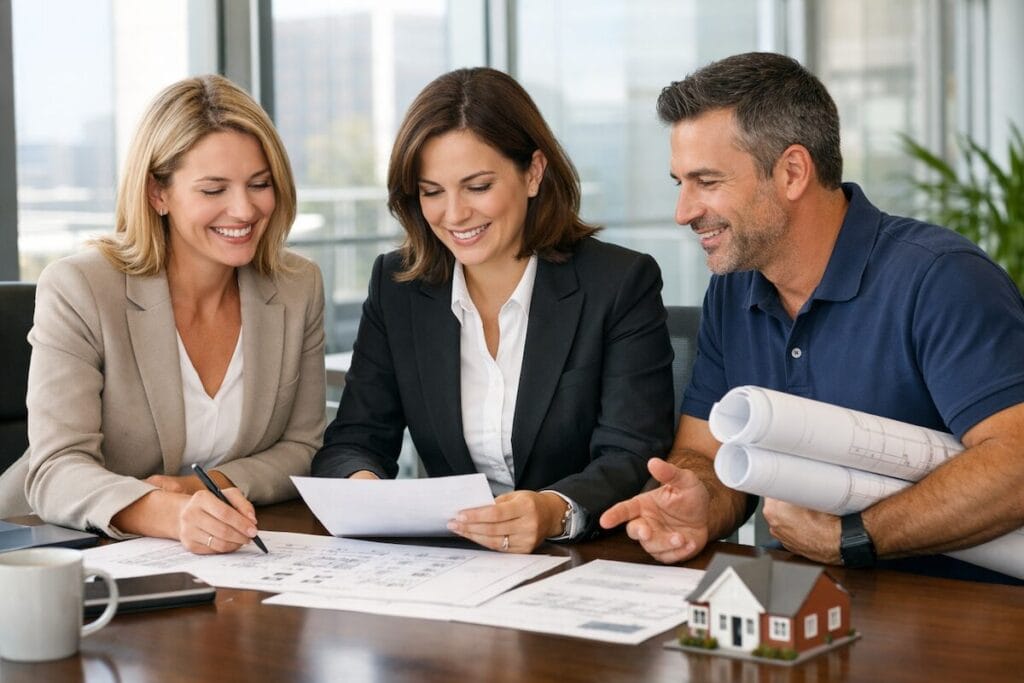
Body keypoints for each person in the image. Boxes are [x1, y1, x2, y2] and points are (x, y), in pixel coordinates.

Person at [599, 52, 1024, 581]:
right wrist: (700, 501)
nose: (683, 212)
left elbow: (1016, 459)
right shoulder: (733, 289)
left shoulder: (941, 278)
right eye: (679, 183)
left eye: (706, 181)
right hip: (798, 598)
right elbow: (704, 454)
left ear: (793, 172)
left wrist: (853, 537)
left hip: (961, 612)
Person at [311, 67, 675, 553]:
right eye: (432, 191)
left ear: (533, 173)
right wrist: (365, 489)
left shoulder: (619, 282)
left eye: (478, 186)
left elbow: (631, 453)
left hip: (582, 554)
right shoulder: (398, 287)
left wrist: (552, 510)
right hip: (455, 558)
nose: (454, 214)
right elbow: (354, 439)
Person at [0, 75, 326, 554]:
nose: (244, 209)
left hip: (216, 551)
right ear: (158, 193)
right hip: (52, 549)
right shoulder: (80, 287)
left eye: (259, 184)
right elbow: (56, 469)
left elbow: (302, 449)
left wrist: (198, 489)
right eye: (213, 190)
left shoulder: (298, 286)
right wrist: (169, 512)